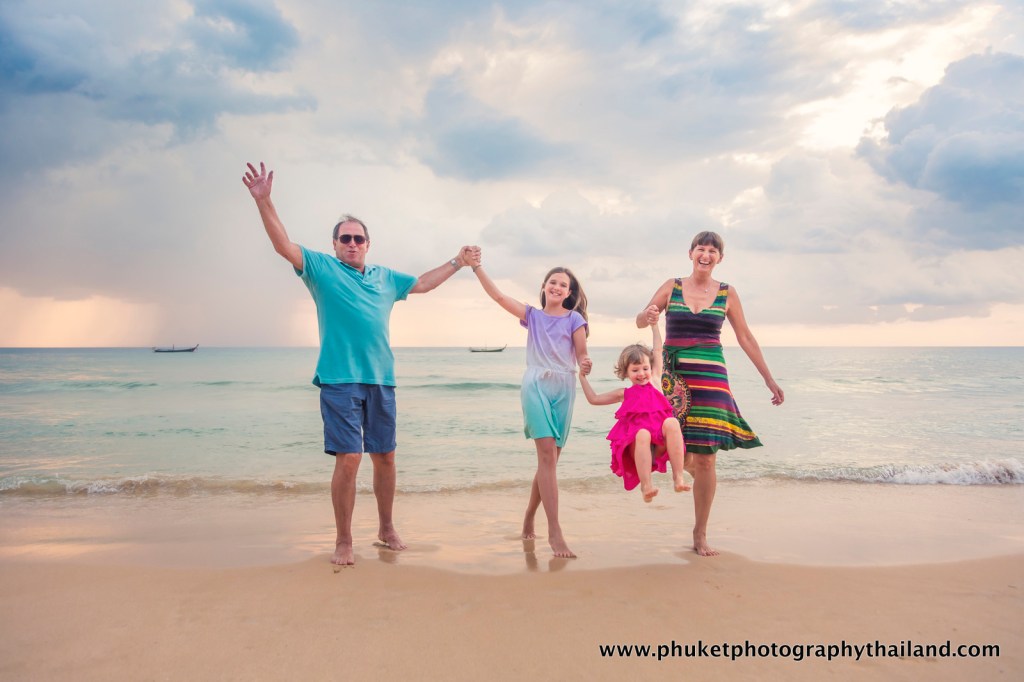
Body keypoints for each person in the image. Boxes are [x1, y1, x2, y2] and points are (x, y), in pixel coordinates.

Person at [242, 161, 480, 566]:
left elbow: (422, 283)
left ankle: (387, 529)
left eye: (358, 239)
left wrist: (457, 261)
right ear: (334, 244)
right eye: (345, 238)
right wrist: (265, 201)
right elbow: (283, 245)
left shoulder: (386, 278)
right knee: (349, 457)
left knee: (385, 456)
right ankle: (344, 539)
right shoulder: (320, 268)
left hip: (381, 379)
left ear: (368, 244)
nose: (351, 244)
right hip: (338, 379)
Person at [637, 231, 783, 557]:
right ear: (690, 253)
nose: (706, 254)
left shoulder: (728, 293)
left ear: (720, 258)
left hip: (712, 379)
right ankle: (677, 474)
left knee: (706, 459)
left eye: (712, 250)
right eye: (701, 249)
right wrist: (646, 316)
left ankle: (699, 532)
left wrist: (768, 379)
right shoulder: (671, 286)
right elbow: (640, 318)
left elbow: (745, 337)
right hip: (671, 380)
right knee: (663, 443)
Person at [472, 263, 591, 558]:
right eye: (552, 282)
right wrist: (476, 268)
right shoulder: (532, 316)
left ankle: (529, 515)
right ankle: (555, 531)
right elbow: (499, 297)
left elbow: (582, 353)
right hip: (536, 383)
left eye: (563, 285)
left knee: (549, 461)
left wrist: (586, 363)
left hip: (564, 387)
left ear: (569, 293)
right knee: (547, 455)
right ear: (544, 287)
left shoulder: (574, 319)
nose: (557, 287)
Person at [578, 323, 690, 503]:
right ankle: (646, 486)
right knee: (643, 433)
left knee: (672, 423)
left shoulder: (655, 380)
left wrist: (654, 326)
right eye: (635, 370)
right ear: (626, 372)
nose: (641, 373)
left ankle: (678, 478)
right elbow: (594, 399)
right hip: (637, 447)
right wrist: (582, 377)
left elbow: (658, 349)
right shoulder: (624, 393)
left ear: (650, 367)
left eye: (645, 368)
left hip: (660, 443)